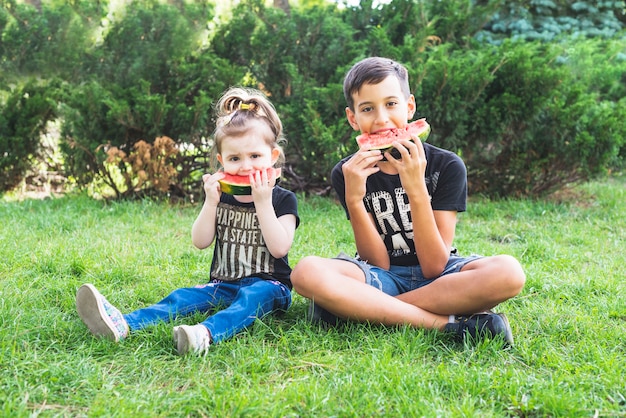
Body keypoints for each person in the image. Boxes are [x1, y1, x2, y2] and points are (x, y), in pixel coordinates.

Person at [291, 57, 525, 346]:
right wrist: (354, 198)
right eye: (367, 109)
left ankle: (357, 308)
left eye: (391, 104)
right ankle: (446, 326)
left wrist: (416, 188)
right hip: (382, 275)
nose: (381, 119)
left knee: (509, 272)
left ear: (409, 106)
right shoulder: (349, 172)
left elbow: (434, 267)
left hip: (442, 278)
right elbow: (377, 263)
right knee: (305, 271)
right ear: (353, 118)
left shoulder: (447, 165)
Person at [76, 87, 299, 355]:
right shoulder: (222, 196)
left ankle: (204, 334)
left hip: (270, 287)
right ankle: (124, 324)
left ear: (272, 157)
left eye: (255, 156)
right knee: (182, 297)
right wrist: (211, 202)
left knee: (251, 299)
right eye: (234, 159)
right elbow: (200, 241)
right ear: (221, 162)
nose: (245, 166)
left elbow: (279, 248)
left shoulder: (283, 199)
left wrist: (262, 202)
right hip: (223, 283)